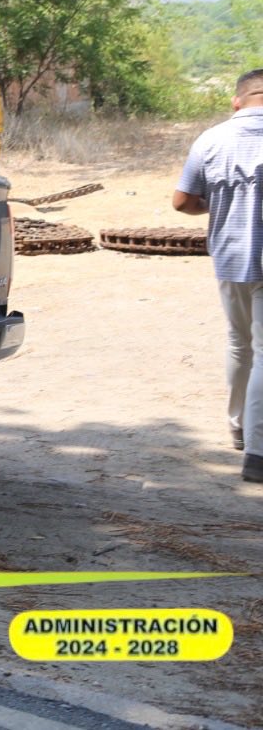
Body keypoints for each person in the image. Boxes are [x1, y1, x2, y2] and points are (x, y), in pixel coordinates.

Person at [173, 67, 263, 484]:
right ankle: (258, 453)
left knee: (239, 343)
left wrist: (225, 202)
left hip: (230, 257)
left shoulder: (210, 139)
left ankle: (239, 428)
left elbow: (182, 201)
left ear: (236, 101)